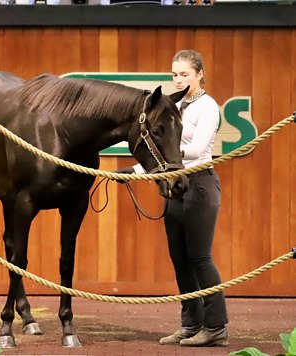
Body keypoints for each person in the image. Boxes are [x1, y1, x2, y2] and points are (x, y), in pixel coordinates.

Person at [115, 49, 229, 347]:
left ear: (200, 74)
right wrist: (135, 170)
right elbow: (163, 152)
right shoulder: (175, 107)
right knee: (179, 259)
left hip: (200, 185)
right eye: (174, 75)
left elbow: (195, 149)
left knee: (200, 258)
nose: (178, 80)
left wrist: (150, 162)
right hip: (175, 184)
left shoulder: (208, 107)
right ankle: (191, 324)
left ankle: (216, 326)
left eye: (185, 74)